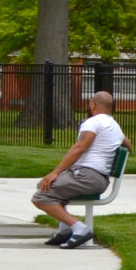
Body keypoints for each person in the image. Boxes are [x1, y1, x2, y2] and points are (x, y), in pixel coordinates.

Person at [34, 90, 124, 246]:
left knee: (41, 196)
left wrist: (55, 172)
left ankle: (79, 228)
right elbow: (126, 144)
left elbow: (79, 148)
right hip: (99, 178)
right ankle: (65, 230)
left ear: (93, 105)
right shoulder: (115, 127)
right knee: (45, 185)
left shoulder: (93, 122)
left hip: (87, 176)